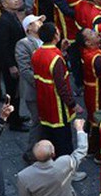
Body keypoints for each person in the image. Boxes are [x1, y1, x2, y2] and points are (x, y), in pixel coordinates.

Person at [17, 118, 87, 196]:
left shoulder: (24, 176)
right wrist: (79, 129)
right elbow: (81, 150)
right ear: (53, 153)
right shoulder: (65, 163)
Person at [32, 22, 83, 157]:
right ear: (55, 35)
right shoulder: (56, 58)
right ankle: (68, 168)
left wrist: (63, 51)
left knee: (49, 134)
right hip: (57, 105)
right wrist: (73, 104)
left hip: (44, 102)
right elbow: (62, 87)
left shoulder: (36, 53)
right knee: (64, 138)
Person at [0, 0, 28, 131]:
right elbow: (2, 46)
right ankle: (14, 122)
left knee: (15, 92)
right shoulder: (4, 21)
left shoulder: (12, 16)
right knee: (12, 93)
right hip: (10, 63)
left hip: (14, 60)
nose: (15, 0)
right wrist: (11, 65)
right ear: (4, 4)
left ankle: (15, 116)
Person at [15, 15, 46, 163]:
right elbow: (25, 69)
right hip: (34, 91)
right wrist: (40, 82)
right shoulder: (23, 44)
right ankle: (30, 153)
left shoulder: (43, 40)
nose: (40, 23)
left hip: (44, 89)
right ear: (28, 28)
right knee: (38, 121)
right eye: (36, 22)